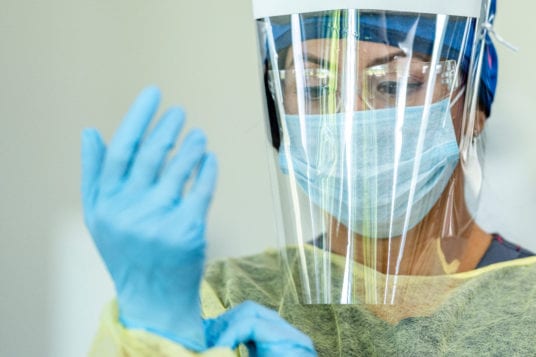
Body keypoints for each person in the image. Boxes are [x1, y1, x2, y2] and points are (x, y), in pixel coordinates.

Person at [83, 1, 536, 356]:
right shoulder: (225, 302)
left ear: (475, 105)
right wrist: (154, 329)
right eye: (316, 87)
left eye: (395, 85)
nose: (350, 118)